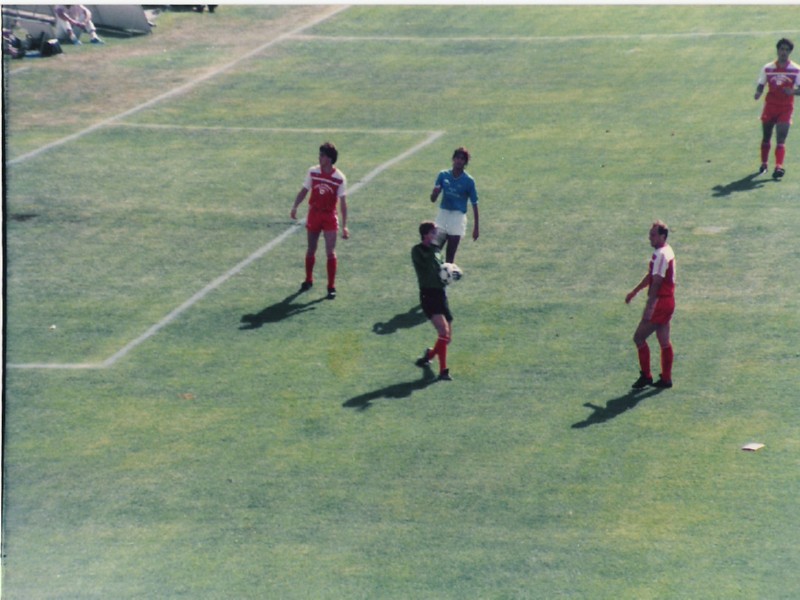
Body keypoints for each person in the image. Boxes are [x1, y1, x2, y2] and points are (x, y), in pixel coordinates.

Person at [290, 142, 349, 300]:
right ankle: (308, 279)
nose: (319, 157)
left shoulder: (339, 178)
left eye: (322, 155)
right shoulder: (313, 172)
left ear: (329, 159)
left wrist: (345, 226)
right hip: (314, 214)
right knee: (311, 248)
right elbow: (304, 190)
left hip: (329, 216)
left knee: (330, 252)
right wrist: (295, 206)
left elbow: (343, 203)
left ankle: (331, 286)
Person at [625, 220, 676, 389]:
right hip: (668, 301)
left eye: (653, 235)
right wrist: (635, 291)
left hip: (660, 302)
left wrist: (650, 303)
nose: (650, 238)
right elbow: (651, 276)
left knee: (639, 338)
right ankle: (666, 379)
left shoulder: (660, 255)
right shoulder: (667, 251)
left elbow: (656, 281)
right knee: (664, 341)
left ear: (662, 236)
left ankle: (646, 376)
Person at [412, 221, 453, 381]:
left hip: (440, 294)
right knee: (443, 332)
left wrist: (450, 273)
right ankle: (443, 371)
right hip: (428, 295)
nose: (436, 234)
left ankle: (429, 355)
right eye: (434, 232)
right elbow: (428, 264)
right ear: (426, 234)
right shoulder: (418, 250)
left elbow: (441, 269)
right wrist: (433, 250)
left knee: (447, 338)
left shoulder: (436, 250)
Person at [754, 38, 800, 178]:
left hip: (786, 108)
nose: (783, 52)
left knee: (781, 137)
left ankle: (779, 167)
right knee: (766, 137)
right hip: (770, 106)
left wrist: (792, 92)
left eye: (786, 50)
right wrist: (758, 92)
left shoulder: (796, 69)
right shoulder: (768, 67)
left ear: (790, 52)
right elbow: (762, 82)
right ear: (777, 50)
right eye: (782, 49)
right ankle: (764, 164)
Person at [429, 147, 479, 264]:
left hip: (457, 218)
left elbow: (474, 204)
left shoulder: (469, 181)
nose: (459, 161)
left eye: (462, 159)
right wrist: (434, 194)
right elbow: (433, 199)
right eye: (457, 158)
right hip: (443, 216)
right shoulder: (443, 175)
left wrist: (476, 227)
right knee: (434, 251)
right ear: (453, 159)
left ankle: (445, 276)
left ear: (465, 162)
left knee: (450, 256)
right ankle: (439, 270)